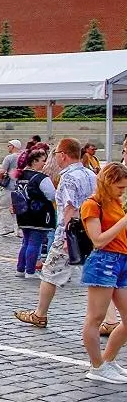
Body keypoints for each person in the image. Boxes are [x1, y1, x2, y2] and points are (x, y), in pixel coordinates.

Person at [15, 138, 94, 329]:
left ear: (63, 155)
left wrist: (67, 236)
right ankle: (110, 319)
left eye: (56, 154)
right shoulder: (91, 174)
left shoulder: (68, 177)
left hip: (71, 232)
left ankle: (40, 314)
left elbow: (69, 207)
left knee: (50, 272)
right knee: (95, 276)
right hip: (91, 229)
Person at [80, 162, 127, 384]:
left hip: (121, 260)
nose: (123, 191)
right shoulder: (92, 204)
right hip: (104, 260)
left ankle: (107, 360)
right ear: (108, 183)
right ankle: (97, 365)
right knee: (96, 317)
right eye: (119, 187)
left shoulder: (116, 203)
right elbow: (98, 240)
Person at [14, 145, 57, 279]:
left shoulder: (21, 176)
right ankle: (30, 271)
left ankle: (20, 269)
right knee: (35, 242)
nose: (44, 163)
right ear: (34, 161)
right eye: (42, 160)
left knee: (26, 242)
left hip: (23, 212)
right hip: (39, 213)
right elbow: (51, 195)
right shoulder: (41, 178)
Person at [0, 139, 24, 236]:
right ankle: (21, 230)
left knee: (4, 207)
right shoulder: (23, 157)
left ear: (13, 146)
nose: (8, 147)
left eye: (9, 145)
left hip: (9, 186)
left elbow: (2, 171)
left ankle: (8, 227)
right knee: (20, 208)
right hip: (21, 186)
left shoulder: (9, 157)